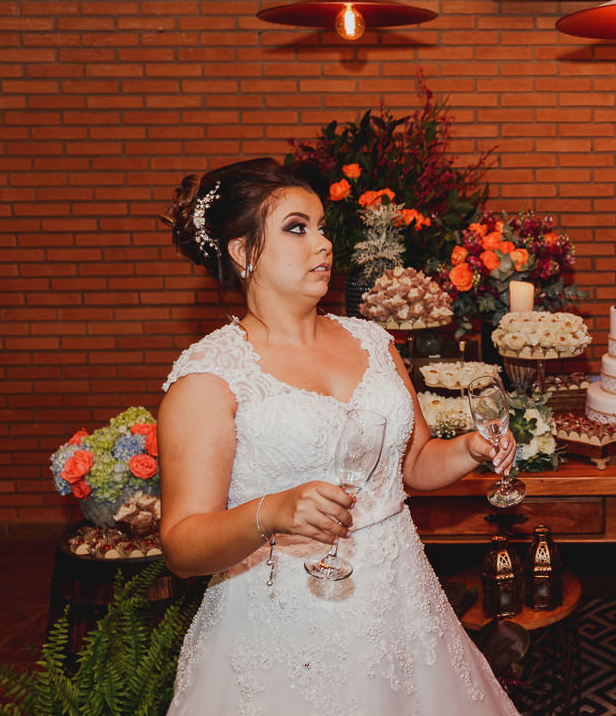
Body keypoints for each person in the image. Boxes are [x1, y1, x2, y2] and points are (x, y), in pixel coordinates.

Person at [158, 158, 521, 715]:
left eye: (323, 227)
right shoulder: (210, 377)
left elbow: (415, 465)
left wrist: (470, 449)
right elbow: (183, 546)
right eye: (297, 228)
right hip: (283, 627)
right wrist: (271, 512)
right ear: (243, 251)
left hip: (403, 606)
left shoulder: (373, 341)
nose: (322, 244)